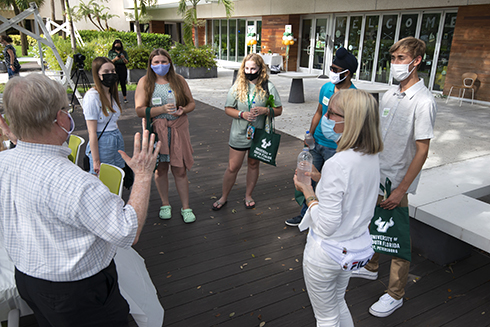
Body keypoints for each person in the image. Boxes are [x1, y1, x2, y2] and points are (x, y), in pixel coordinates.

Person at [0, 73, 161, 326]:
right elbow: (127, 233)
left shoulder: (4, 163)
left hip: (28, 281)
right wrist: (142, 176)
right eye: (65, 109)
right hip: (78, 295)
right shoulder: (75, 182)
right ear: (61, 118)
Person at [351, 37, 437, 318]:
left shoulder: (423, 102)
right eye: (394, 58)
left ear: (417, 61)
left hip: (397, 182)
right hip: (376, 175)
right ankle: (372, 265)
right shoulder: (389, 94)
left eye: (401, 58)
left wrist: (401, 189)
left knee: (397, 237)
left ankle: (395, 294)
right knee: (372, 222)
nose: (396, 64)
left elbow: (422, 151)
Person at [294, 89, 383, 327]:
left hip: (326, 252)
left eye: (333, 113)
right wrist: (320, 177)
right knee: (338, 302)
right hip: (351, 249)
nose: (326, 117)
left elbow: (326, 224)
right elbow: (351, 194)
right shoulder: (371, 157)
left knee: (326, 317)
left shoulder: (338, 163)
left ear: (351, 121)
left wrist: (308, 191)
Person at [286, 47, 357, 227]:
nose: (331, 72)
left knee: (329, 185)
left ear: (347, 73)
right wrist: (309, 135)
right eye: (331, 68)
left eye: (335, 70)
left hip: (335, 147)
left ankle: (324, 219)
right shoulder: (326, 88)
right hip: (316, 143)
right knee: (306, 179)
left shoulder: (354, 97)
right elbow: (319, 112)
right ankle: (305, 215)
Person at [212, 53, 283, 211]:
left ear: (260, 69)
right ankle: (224, 197)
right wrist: (241, 114)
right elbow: (227, 109)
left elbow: (278, 110)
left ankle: (248, 195)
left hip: (258, 135)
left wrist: (266, 110)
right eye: (247, 68)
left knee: (253, 164)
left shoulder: (268, 86)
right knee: (233, 167)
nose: (249, 71)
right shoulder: (237, 86)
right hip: (239, 134)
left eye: (253, 68)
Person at [135, 48, 197, 223]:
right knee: (160, 169)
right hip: (157, 131)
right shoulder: (145, 82)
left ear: (169, 63)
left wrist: (183, 109)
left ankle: (186, 207)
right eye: (156, 62)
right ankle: (165, 204)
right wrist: (161, 110)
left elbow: (191, 103)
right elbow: (139, 110)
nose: (160, 65)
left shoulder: (179, 80)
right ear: (151, 64)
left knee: (179, 169)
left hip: (178, 130)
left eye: (163, 62)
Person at [83, 57, 126, 176]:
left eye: (113, 71)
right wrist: (96, 160)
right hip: (102, 142)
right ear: (97, 75)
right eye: (106, 72)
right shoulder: (92, 96)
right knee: (104, 178)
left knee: (116, 175)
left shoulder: (111, 94)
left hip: (116, 138)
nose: (111, 74)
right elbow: (92, 132)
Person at [108, 39, 129, 104]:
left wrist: (123, 58)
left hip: (122, 67)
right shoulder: (111, 52)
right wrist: (115, 59)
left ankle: (125, 98)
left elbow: (127, 62)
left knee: (123, 83)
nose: (117, 46)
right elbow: (109, 61)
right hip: (114, 67)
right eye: (116, 45)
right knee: (115, 83)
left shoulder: (124, 52)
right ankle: (115, 98)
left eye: (119, 44)